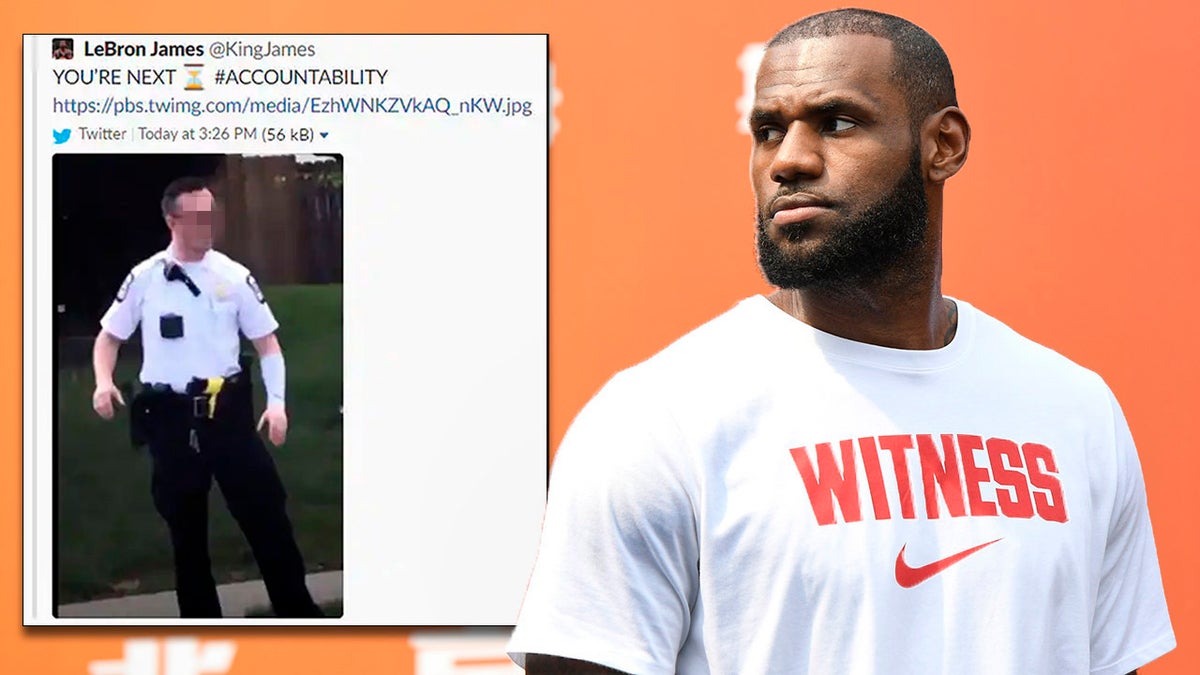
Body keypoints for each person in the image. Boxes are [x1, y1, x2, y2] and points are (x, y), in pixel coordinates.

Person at [507, 9, 1174, 674]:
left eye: (837, 122)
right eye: (768, 131)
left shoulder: (1074, 410)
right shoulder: (658, 420)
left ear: (943, 145)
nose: (789, 160)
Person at [91, 175, 323, 618]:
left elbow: (268, 344)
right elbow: (108, 338)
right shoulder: (145, 279)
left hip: (228, 416)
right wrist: (103, 382)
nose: (208, 224)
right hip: (171, 420)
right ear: (172, 220)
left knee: (267, 518)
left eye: (211, 214)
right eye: (197, 216)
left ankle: (299, 616)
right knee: (186, 532)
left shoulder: (234, 277)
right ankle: (201, 625)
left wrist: (277, 404)